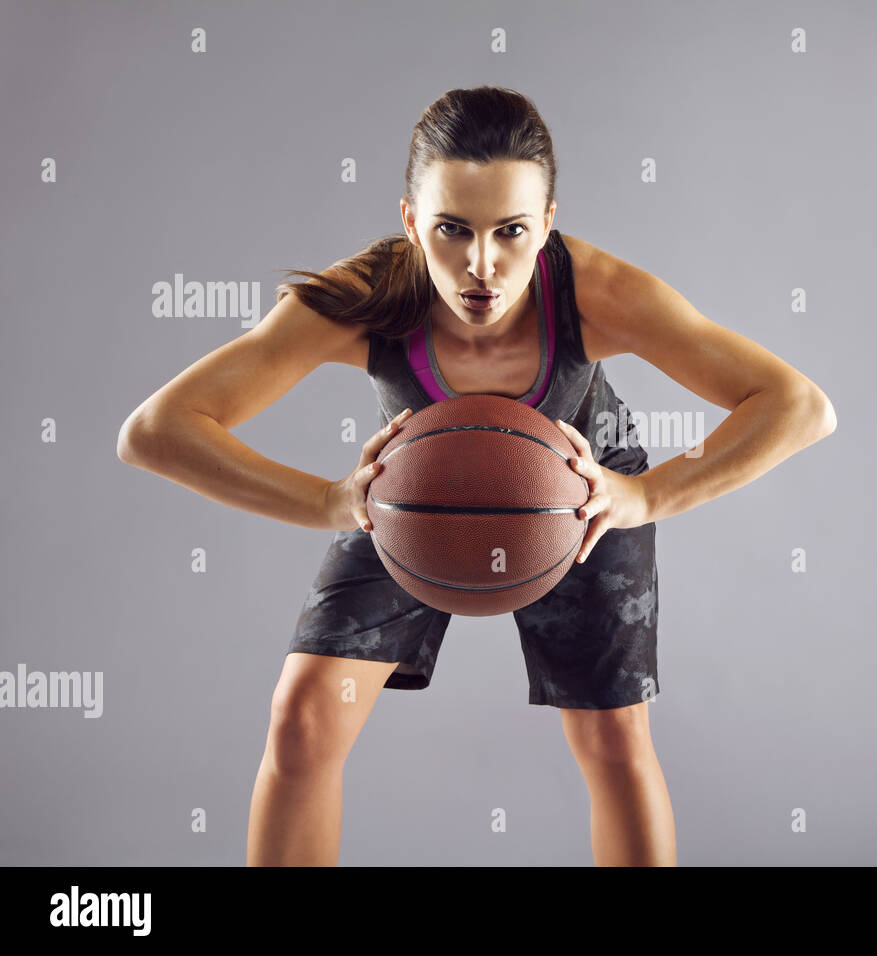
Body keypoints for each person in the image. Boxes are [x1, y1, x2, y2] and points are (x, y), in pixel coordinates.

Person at [116, 85, 837, 867]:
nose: (482, 264)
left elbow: (799, 406)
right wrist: (328, 501)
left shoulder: (597, 293)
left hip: (581, 498)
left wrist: (644, 495)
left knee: (614, 742)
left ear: (549, 225)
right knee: (303, 718)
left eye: (512, 232)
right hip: (416, 502)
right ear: (409, 222)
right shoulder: (367, 296)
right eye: (452, 230)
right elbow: (155, 431)